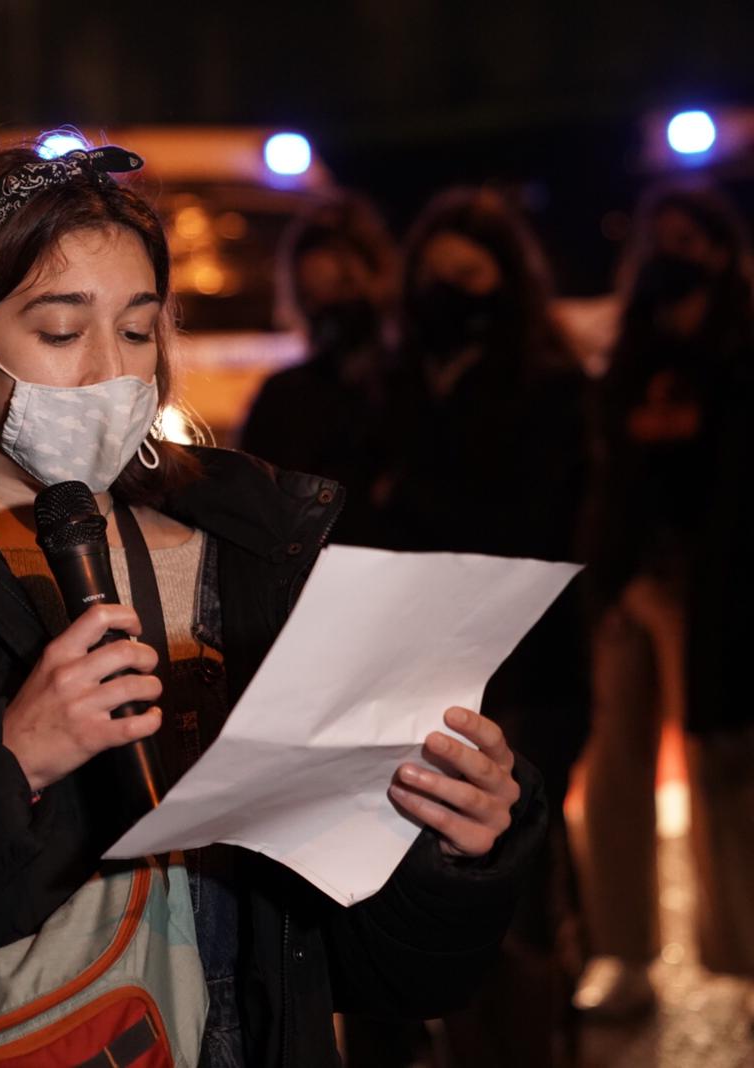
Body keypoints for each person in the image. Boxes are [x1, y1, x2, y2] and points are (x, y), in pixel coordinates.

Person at [0, 144, 547, 1068]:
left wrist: (455, 852)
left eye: (141, 331)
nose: (112, 373)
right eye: (63, 333)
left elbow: (385, 975)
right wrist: (9, 762)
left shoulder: (256, 557)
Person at [343, 187, 590, 1068]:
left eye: (470, 278)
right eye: (436, 278)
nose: (451, 295)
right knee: (402, 872)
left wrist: (410, 498)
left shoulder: (550, 386)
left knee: (512, 873)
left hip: (527, 670)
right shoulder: (390, 378)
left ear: (506, 284)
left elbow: (529, 526)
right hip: (409, 661)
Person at [575, 180, 754, 1022]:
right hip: (631, 583)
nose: (673, 259)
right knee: (616, 772)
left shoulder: (740, 348)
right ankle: (624, 954)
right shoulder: (632, 352)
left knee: (728, 773)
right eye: (662, 242)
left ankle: (744, 958)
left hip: (716, 590)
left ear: (721, 252)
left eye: (691, 242)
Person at [240, 193, 396, 545]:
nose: (330, 310)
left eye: (343, 288)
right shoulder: (285, 395)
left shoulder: (414, 387)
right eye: (313, 297)